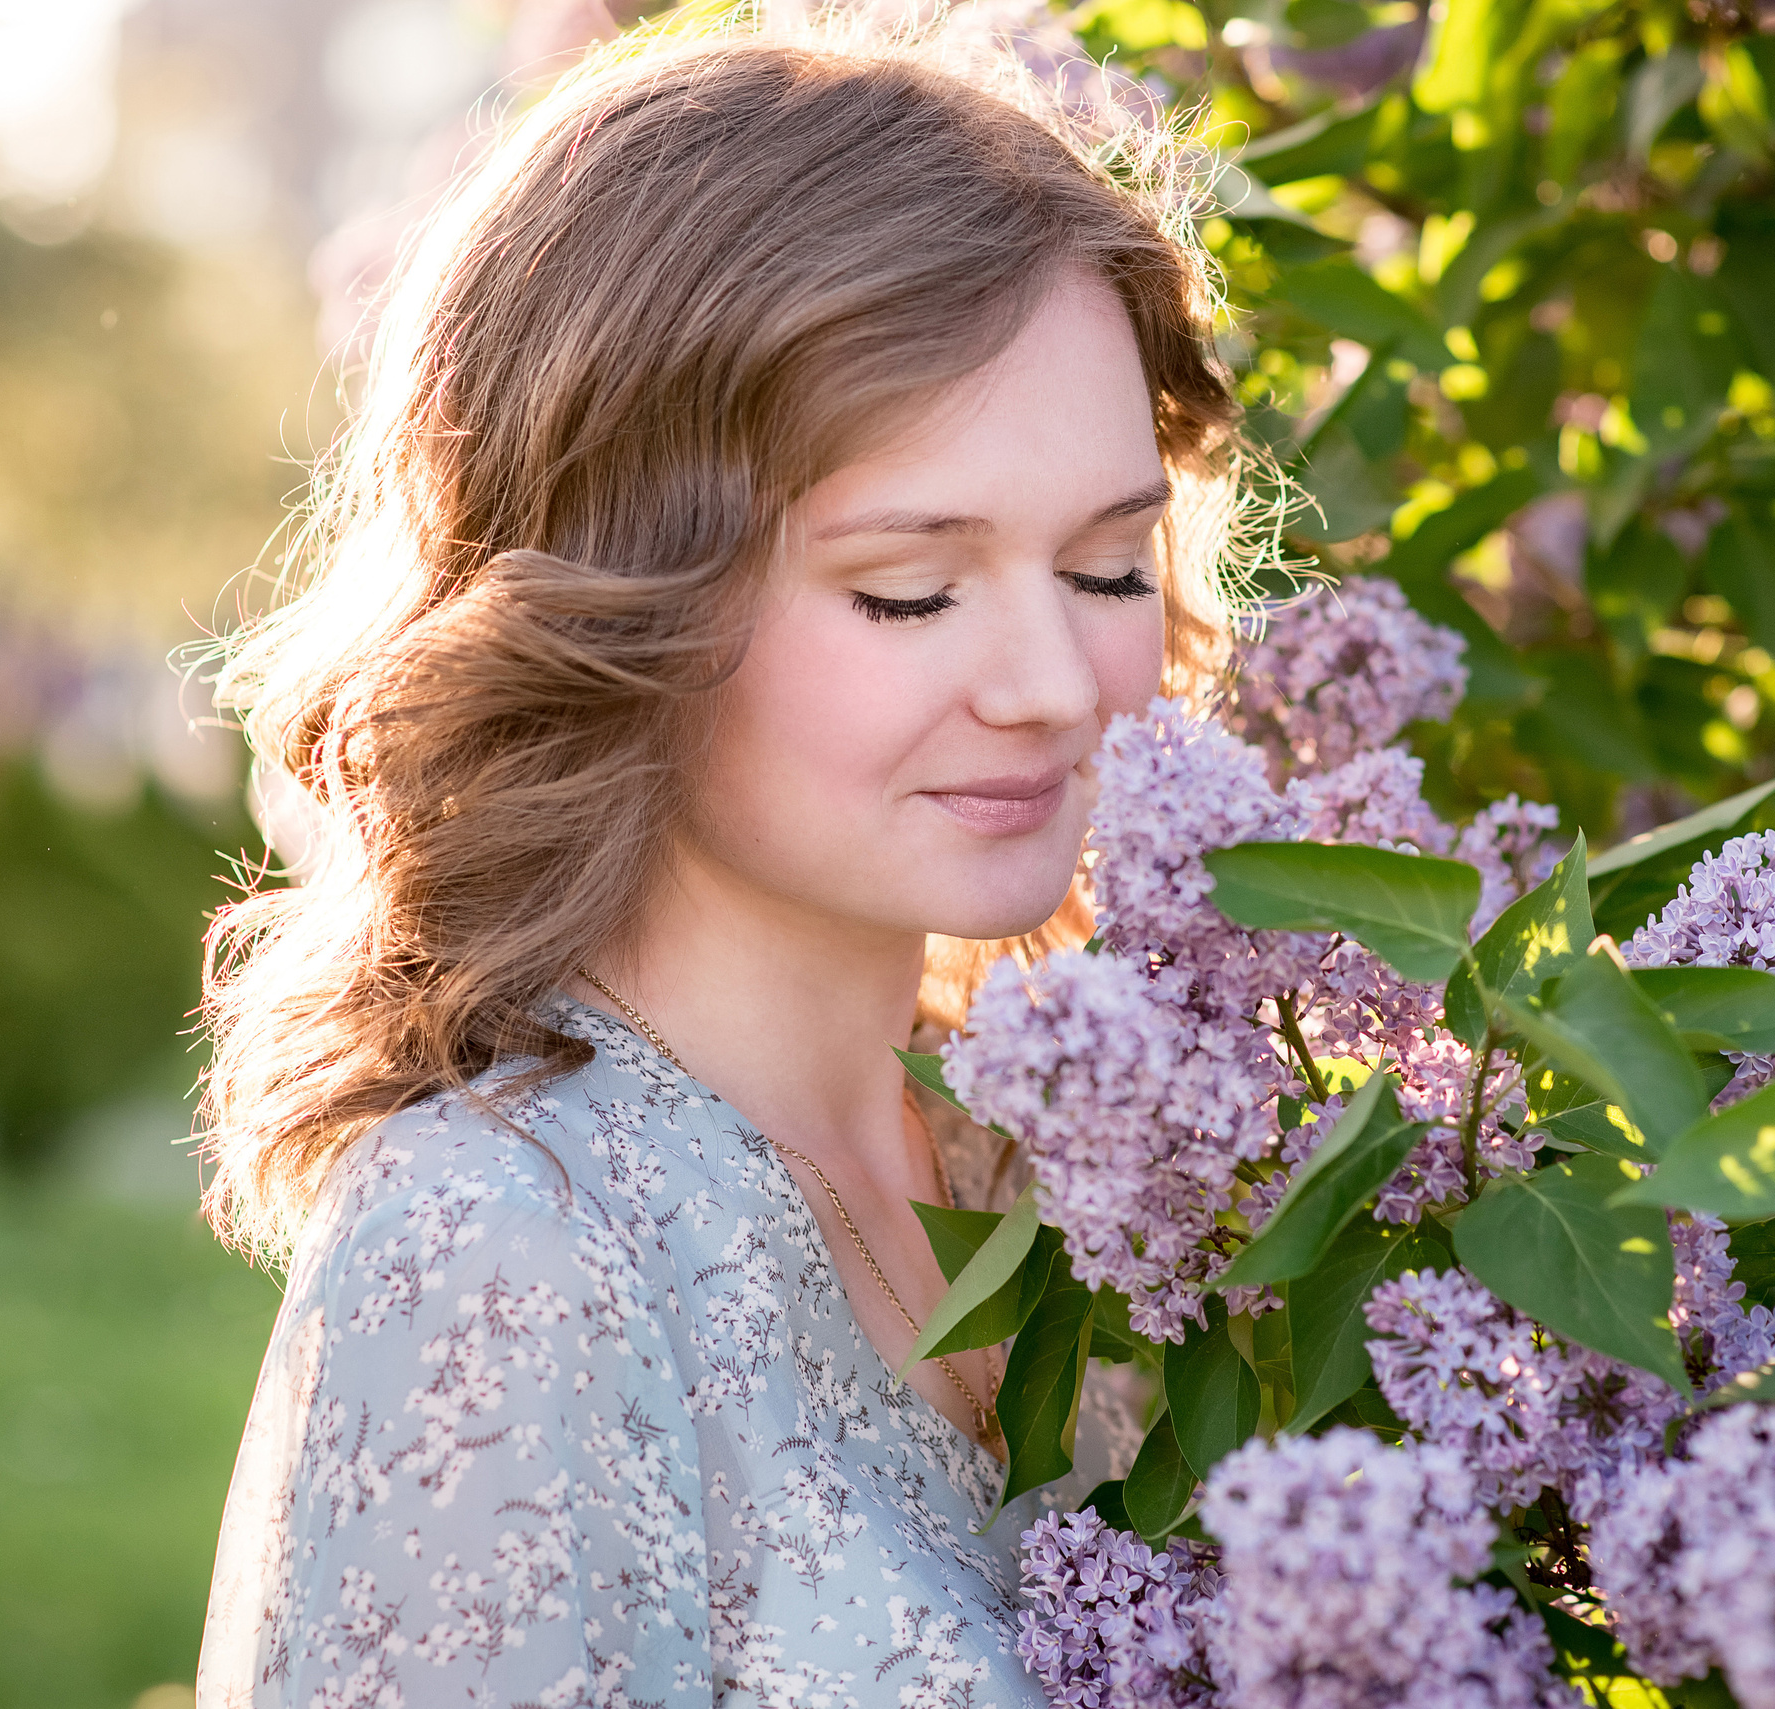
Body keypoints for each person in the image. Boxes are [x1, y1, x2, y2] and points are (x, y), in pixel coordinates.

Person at [191, 14, 1261, 1707]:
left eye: (1110, 567)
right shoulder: (504, 1247)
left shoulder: (1054, 1158)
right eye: (911, 586)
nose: (1058, 687)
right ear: (620, 594)